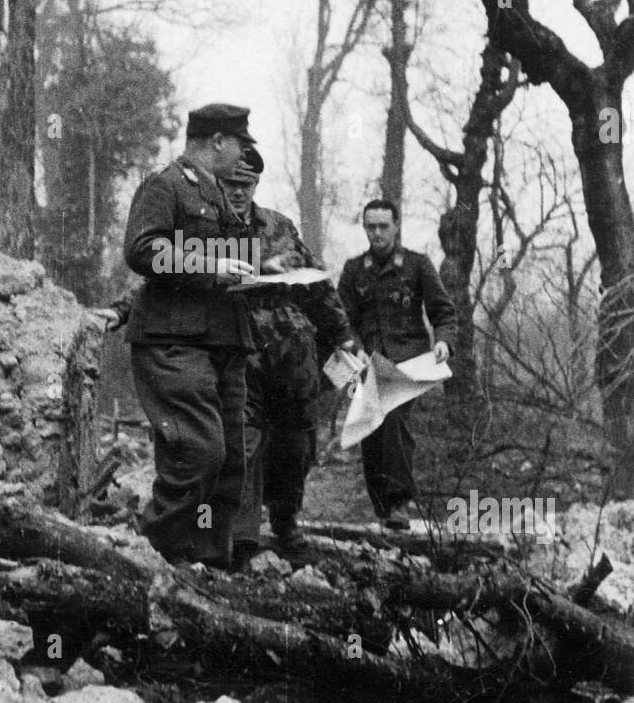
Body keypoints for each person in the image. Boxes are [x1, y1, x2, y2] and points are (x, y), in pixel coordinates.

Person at [121, 103, 258, 568]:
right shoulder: (166, 185)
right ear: (217, 141)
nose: (243, 155)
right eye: (240, 144)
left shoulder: (219, 194)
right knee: (198, 453)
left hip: (222, 344)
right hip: (173, 343)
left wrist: (264, 271)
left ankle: (207, 567)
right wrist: (210, 265)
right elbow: (142, 250)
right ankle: (146, 559)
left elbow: (226, 264)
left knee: (228, 466)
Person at [222, 147, 355, 563]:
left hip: (292, 356)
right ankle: (241, 539)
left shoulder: (279, 225)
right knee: (241, 443)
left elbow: (316, 283)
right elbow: (172, 279)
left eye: (247, 185)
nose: (239, 193)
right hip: (239, 351)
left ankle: (286, 524)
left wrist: (342, 335)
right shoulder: (205, 231)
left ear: (256, 185)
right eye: (231, 184)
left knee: (294, 446)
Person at [337, 198, 456, 530]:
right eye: (370, 226)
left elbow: (443, 311)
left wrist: (444, 340)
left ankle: (399, 501)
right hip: (367, 363)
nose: (377, 233)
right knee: (369, 430)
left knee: (392, 420)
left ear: (396, 226)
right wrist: (355, 349)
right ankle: (383, 506)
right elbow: (342, 320)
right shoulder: (353, 270)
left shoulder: (417, 265)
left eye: (383, 226)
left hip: (409, 361)